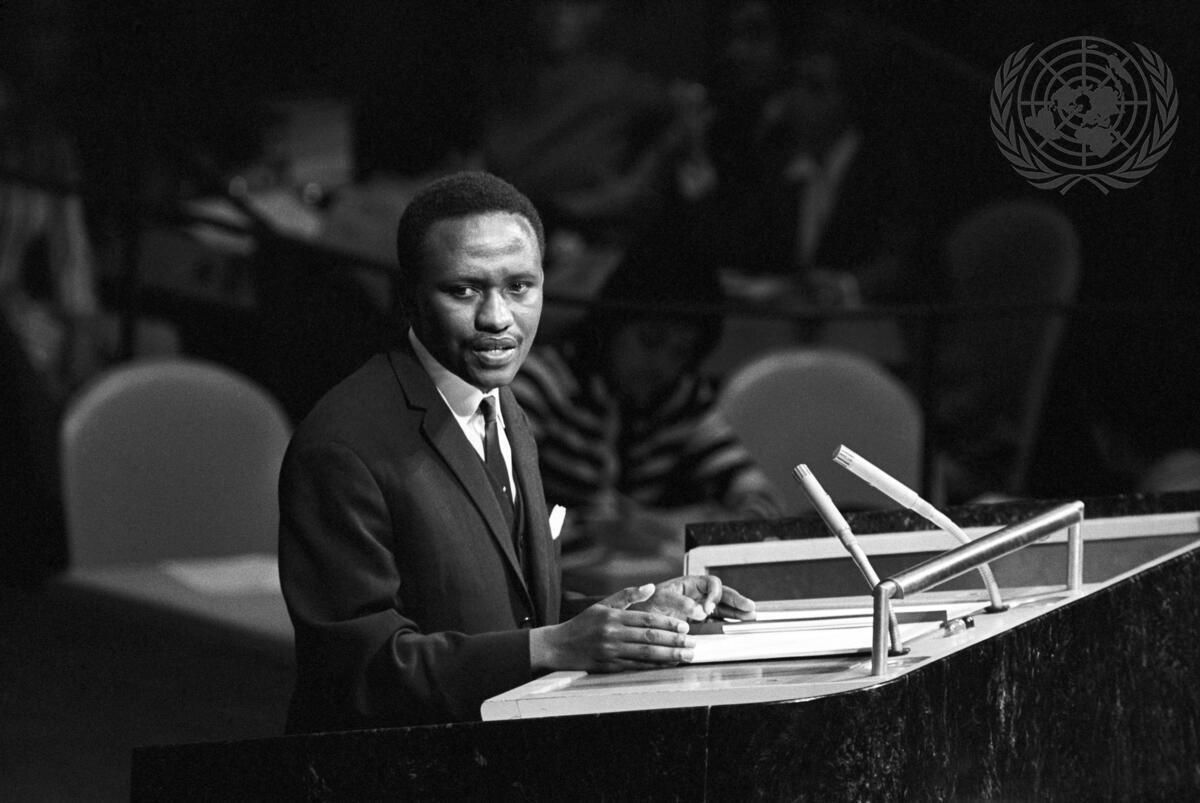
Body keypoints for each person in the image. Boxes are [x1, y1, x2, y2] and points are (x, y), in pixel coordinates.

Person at [278, 171, 755, 732]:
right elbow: (359, 671)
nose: (497, 318)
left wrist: (632, 614)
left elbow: (515, 613)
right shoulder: (343, 445)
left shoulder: (502, 405)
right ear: (408, 298)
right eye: (463, 290)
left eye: (520, 287)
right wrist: (552, 647)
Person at [510, 223, 783, 594]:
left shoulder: (681, 398)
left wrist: (665, 529)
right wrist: (594, 530)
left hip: (642, 587)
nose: (661, 365)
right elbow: (502, 510)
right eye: (650, 342)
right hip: (543, 590)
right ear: (612, 327)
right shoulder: (543, 383)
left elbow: (761, 500)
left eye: (680, 353)